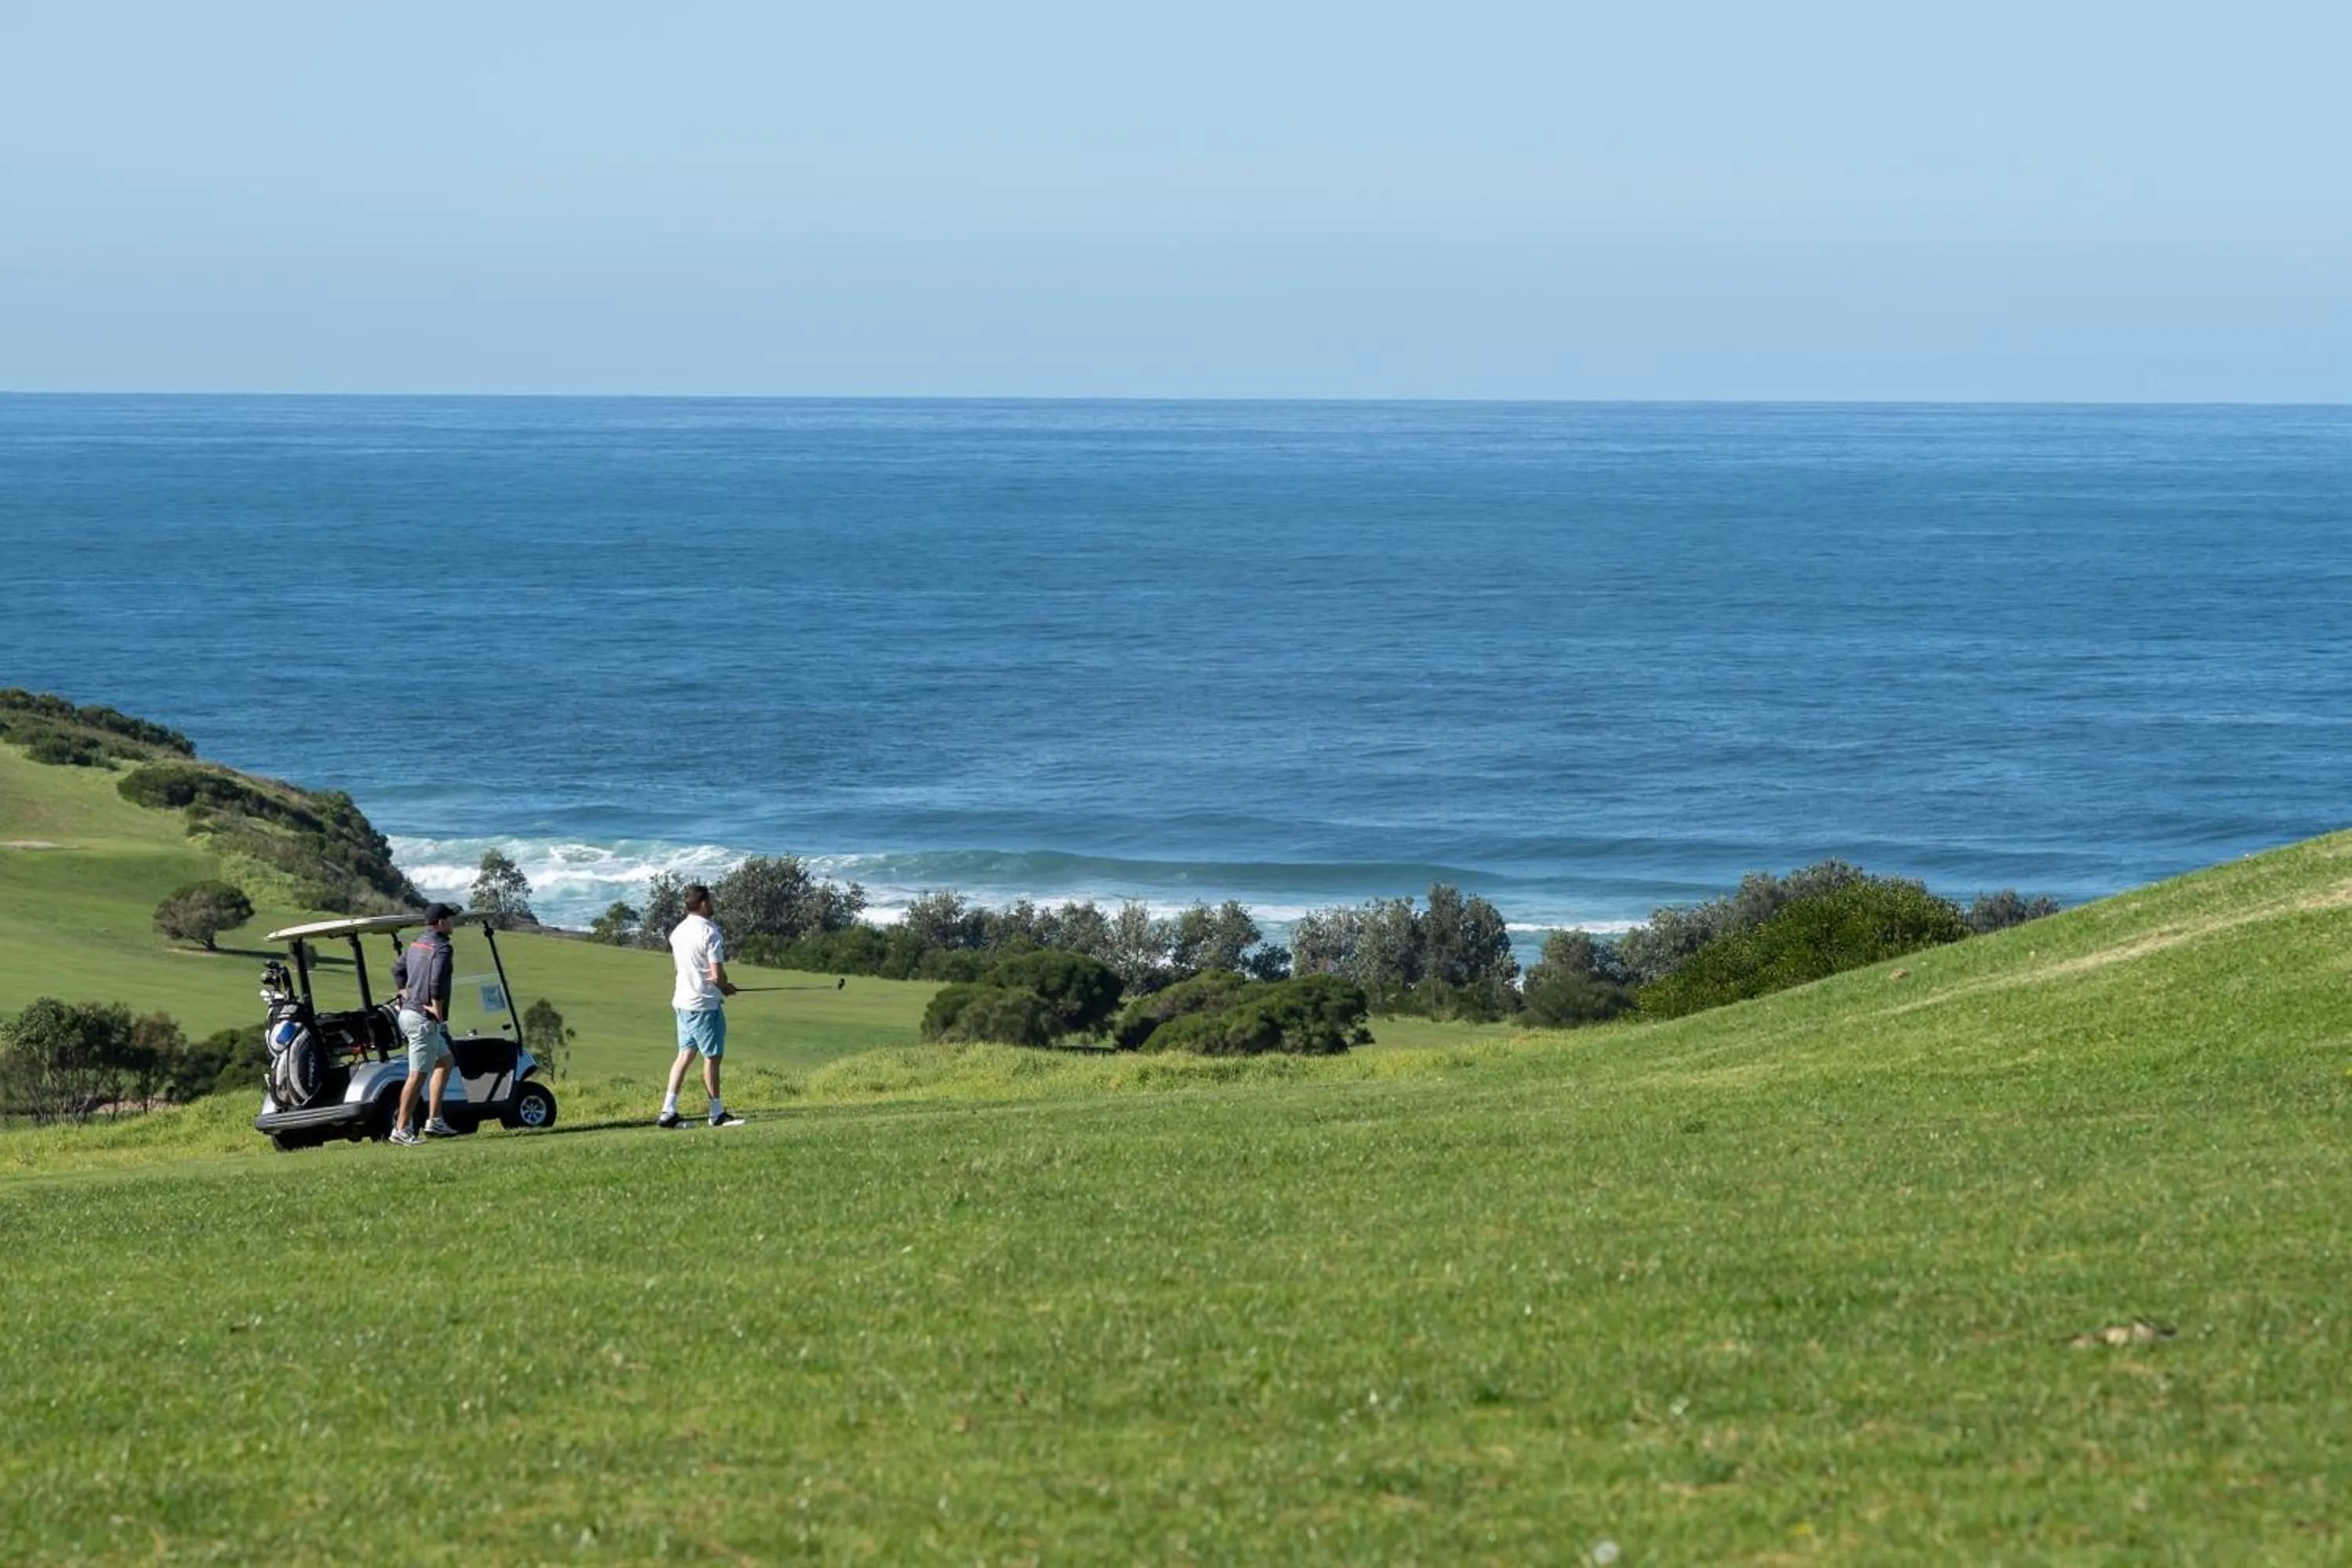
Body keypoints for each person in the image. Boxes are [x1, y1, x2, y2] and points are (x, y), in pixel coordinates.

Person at [660, 884, 743, 1127]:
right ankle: (716, 1113)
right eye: (712, 900)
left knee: (685, 1055)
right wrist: (726, 987)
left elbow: (679, 969)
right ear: (704, 903)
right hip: (704, 1005)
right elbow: (717, 976)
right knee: (712, 1057)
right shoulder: (711, 932)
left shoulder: (678, 931)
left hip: (682, 1002)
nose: (714, 903)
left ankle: (668, 1110)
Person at [389, 902, 463, 1145]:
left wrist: (403, 992)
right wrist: (438, 1008)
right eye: (450, 919)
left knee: (445, 1061)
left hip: (409, 1015)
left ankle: (434, 1120)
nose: (453, 923)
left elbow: (397, 969)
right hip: (423, 1019)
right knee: (418, 1075)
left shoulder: (416, 944)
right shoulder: (442, 948)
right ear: (441, 923)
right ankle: (400, 1130)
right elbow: (436, 980)